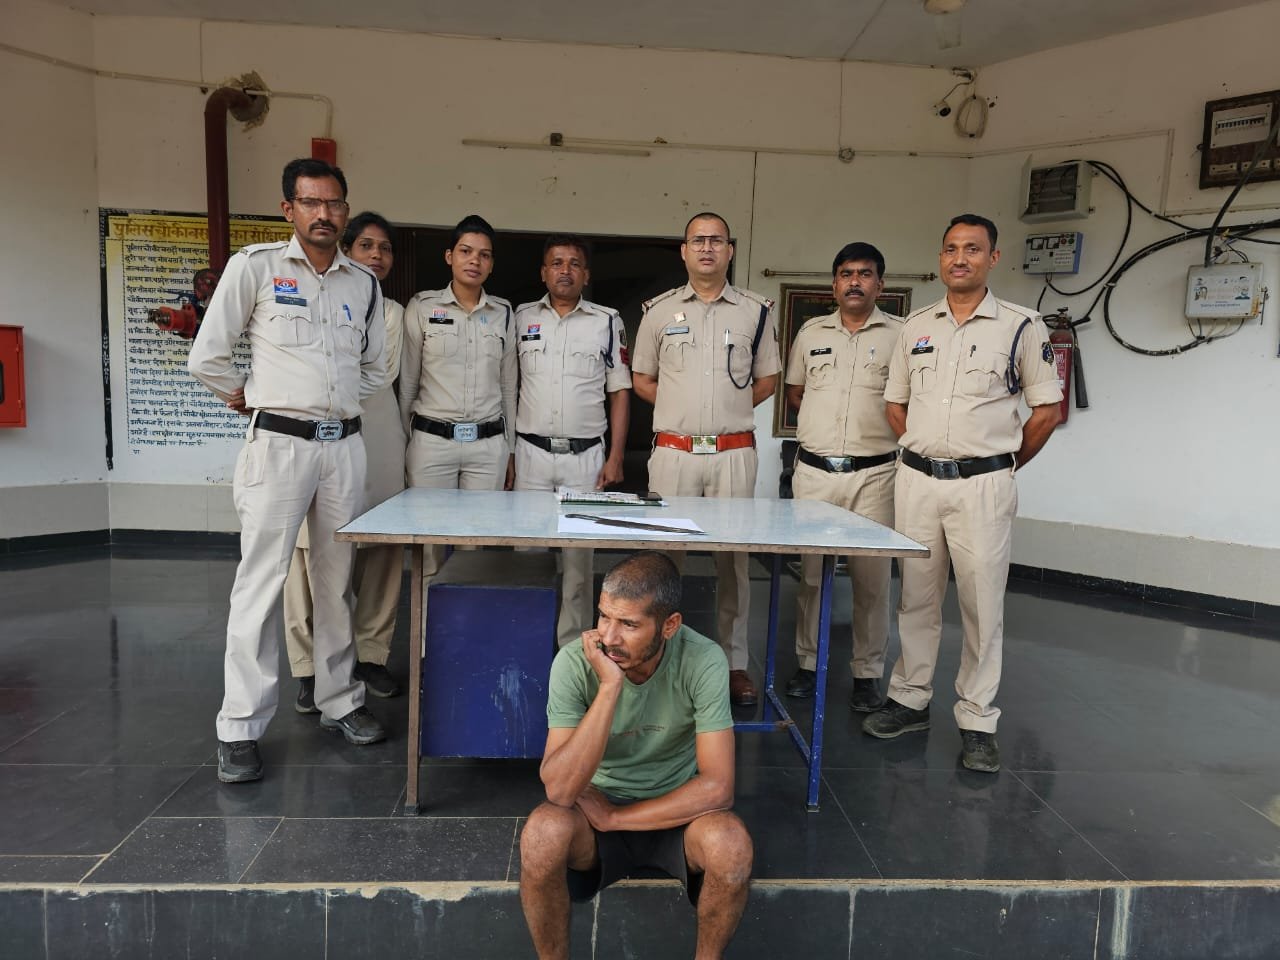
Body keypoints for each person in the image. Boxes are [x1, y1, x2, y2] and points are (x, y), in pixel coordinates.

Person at [189, 157, 389, 784]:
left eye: (333, 204)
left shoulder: (364, 284)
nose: (323, 214)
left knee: (336, 579)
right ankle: (240, 727)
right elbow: (208, 355)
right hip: (278, 445)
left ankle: (340, 701)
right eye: (310, 203)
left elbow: (376, 369)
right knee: (261, 581)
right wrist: (248, 394)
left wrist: (340, 402)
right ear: (289, 209)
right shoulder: (255, 267)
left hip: (343, 448)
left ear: (345, 210)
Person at [862, 213, 1062, 773]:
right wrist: (927, 451)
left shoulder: (1021, 326)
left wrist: (1001, 464)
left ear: (992, 258)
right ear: (940, 257)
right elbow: (896, 404)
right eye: (951, 248)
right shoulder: (915, 327)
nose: (960, 258)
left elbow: (1047, 410)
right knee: (916, 597)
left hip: (983, 487)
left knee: (981, 603)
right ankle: (909, 699)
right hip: (918, 482)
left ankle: (977, 719)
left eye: (972, 249)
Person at [519, 552, 753, 960]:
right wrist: (610, 687)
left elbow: (718, 788)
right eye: (604, 616)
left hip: (677, 813)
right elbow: (558, 790)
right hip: (593, 814)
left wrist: (616, 818)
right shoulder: (575, 662)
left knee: (732, 846)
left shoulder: (704, 659)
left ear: (670, 625)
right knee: (541, 835)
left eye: (628, 624)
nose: (609, 637)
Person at [631, 213, 780, 707]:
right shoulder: (658, 311)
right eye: (698, 240)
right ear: (684, 250)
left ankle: (734, 663)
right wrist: (683, 412)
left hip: (733, 454)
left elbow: (767, 380)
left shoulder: (756, 311)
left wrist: (725, 412)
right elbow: (643, 380)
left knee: (733, 561)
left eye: (717, 240)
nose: (707, 248)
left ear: (730, 250)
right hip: (674, 454)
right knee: (663, 560)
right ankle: (659, 655)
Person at [283, 212, 407, 708]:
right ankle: (309, 666)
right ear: (346, 252)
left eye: (385, 248)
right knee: (307, 550)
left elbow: (379, 372)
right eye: (366, 246)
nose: (376, 256)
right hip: (313, 436)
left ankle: (371, 655)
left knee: (382, 547)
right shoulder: (309, 297)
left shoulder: (392, 313)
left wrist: (320, 378)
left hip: (377, 434)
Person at [782, 242, 903, 712]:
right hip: (815, 474)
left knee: (873, 582)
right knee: (812, 577)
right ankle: (808, 663)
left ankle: (866, 674)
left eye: (865, 274)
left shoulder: (900, 335)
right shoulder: (811, 333)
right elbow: (796, 393)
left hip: (875, 476)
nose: (855, 282)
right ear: (834, 284)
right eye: (846, 274)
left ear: (880, 284)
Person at [514, 235, 632, 648]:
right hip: (530, 454)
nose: (565, 270)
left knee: (579, 565)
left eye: (574, 264)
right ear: (543, 272)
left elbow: (620, 391)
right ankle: (526, 647)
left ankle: (572, 654)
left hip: (585, 459)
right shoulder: (520, 318)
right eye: (557, 262)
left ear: (586, 274)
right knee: (527, 559)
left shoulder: (607, 321)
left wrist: (616, 456)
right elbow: (507, 385)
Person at [399, 215, 517, 582]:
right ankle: (426, 617)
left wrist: (510, 448)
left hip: (487, 447)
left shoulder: (503, 313)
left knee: (474, 547)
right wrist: (407, 441)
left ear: (492, 264)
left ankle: (465, 616)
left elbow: (508, 386)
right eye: (466, 251)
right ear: (449, 256)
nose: (474, 261)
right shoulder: (422, 307)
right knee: (428, 545)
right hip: (432, 444)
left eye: (484, 255)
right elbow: (408, 381)